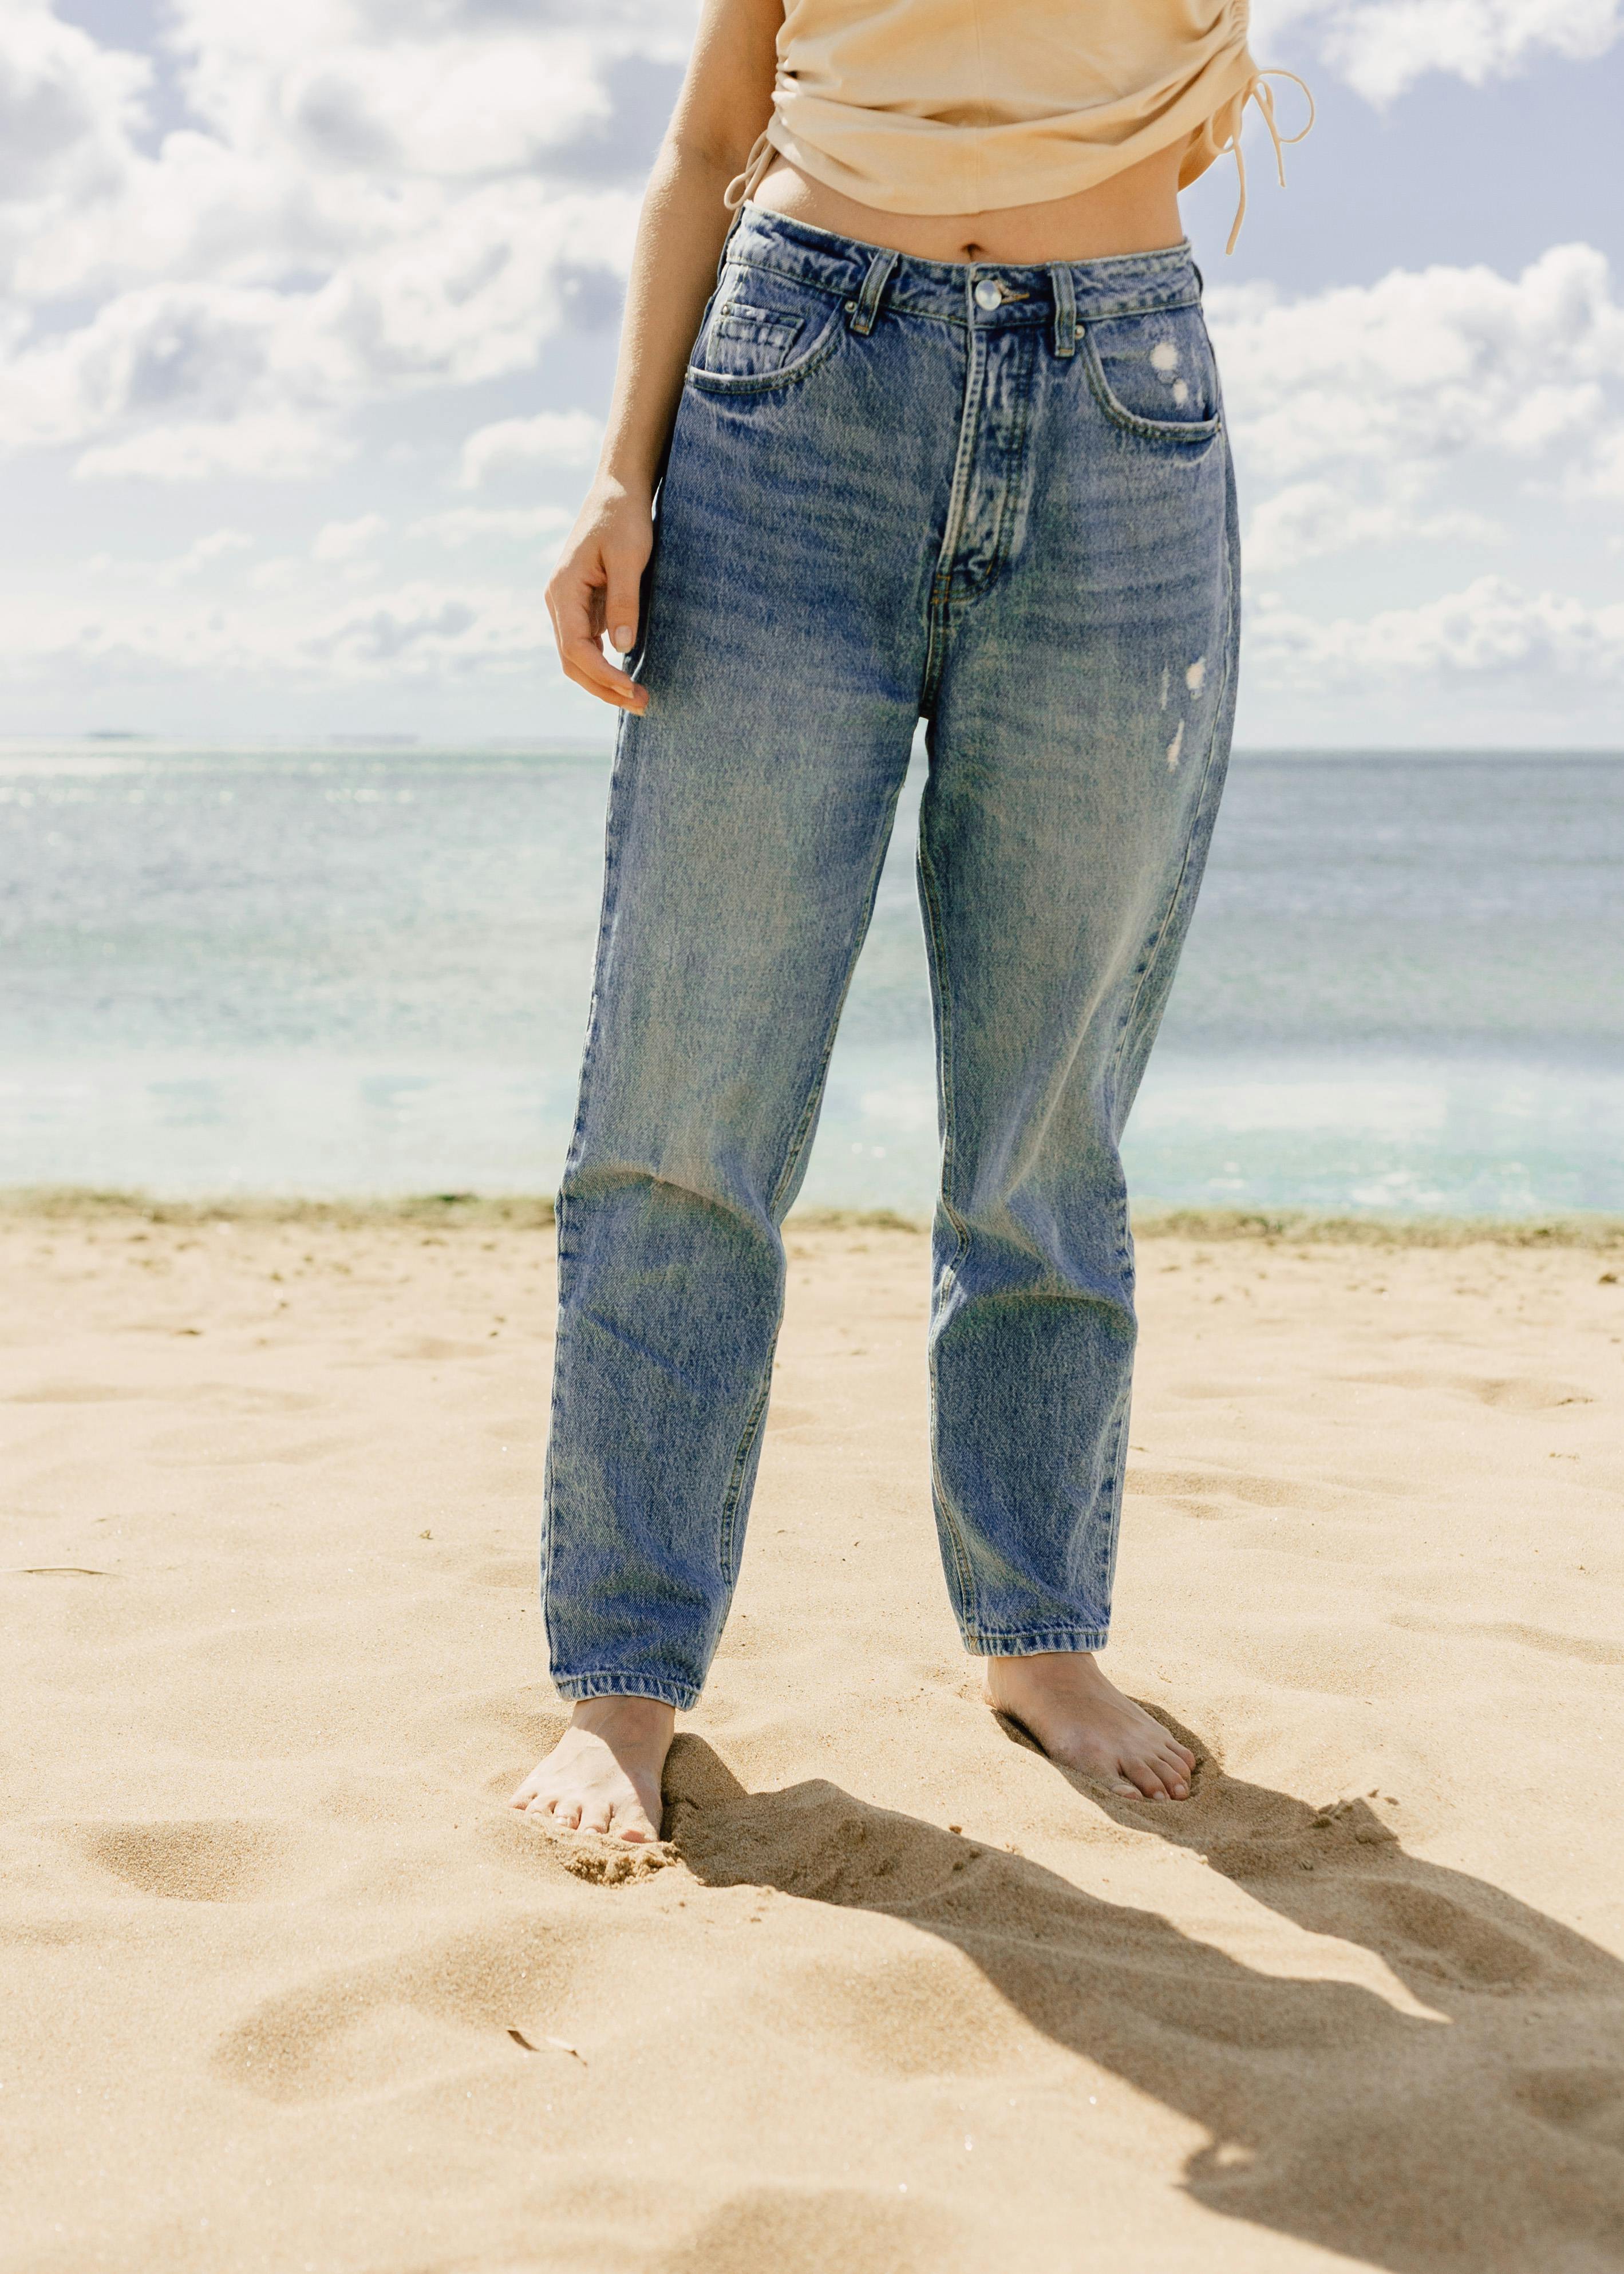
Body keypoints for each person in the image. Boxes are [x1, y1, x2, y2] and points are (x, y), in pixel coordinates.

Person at [512, 0, 1309, 1842]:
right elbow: (713, 133)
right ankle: (624, 1683)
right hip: (797, 390)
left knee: (1047, 1112)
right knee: (688, 1092)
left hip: (1122, 402)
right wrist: (621, 473)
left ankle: (1038, 1638)